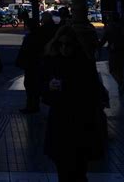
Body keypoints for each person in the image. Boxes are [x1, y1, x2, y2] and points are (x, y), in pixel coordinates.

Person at [42, 25, 107, 182]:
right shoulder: (52, 63)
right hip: (61, 123)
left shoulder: (84, 65)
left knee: (77, 171)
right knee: (64, 171)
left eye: (68, 44)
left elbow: (92, 94)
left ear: (75, 45)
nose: (64, 48)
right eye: (61, 44)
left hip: (79, 125)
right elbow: (44, 93)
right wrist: (49, 88)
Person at [16, 17, 42, 113]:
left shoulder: (30, 37)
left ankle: (31, 105)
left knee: (30, 85)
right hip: (35, 64)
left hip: (30, 64)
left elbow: (25, 51)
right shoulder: (38, 35)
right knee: (33, 85)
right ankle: (34, 105)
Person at [99, 12, 124, 96]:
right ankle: (121, 85)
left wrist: (99, 46)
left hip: (114, 51)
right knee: (120, 70)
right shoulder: (122, 28)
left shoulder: (110, 28)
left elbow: (104, 39)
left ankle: (120, 83)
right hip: (122, 51)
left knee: (112, 70)